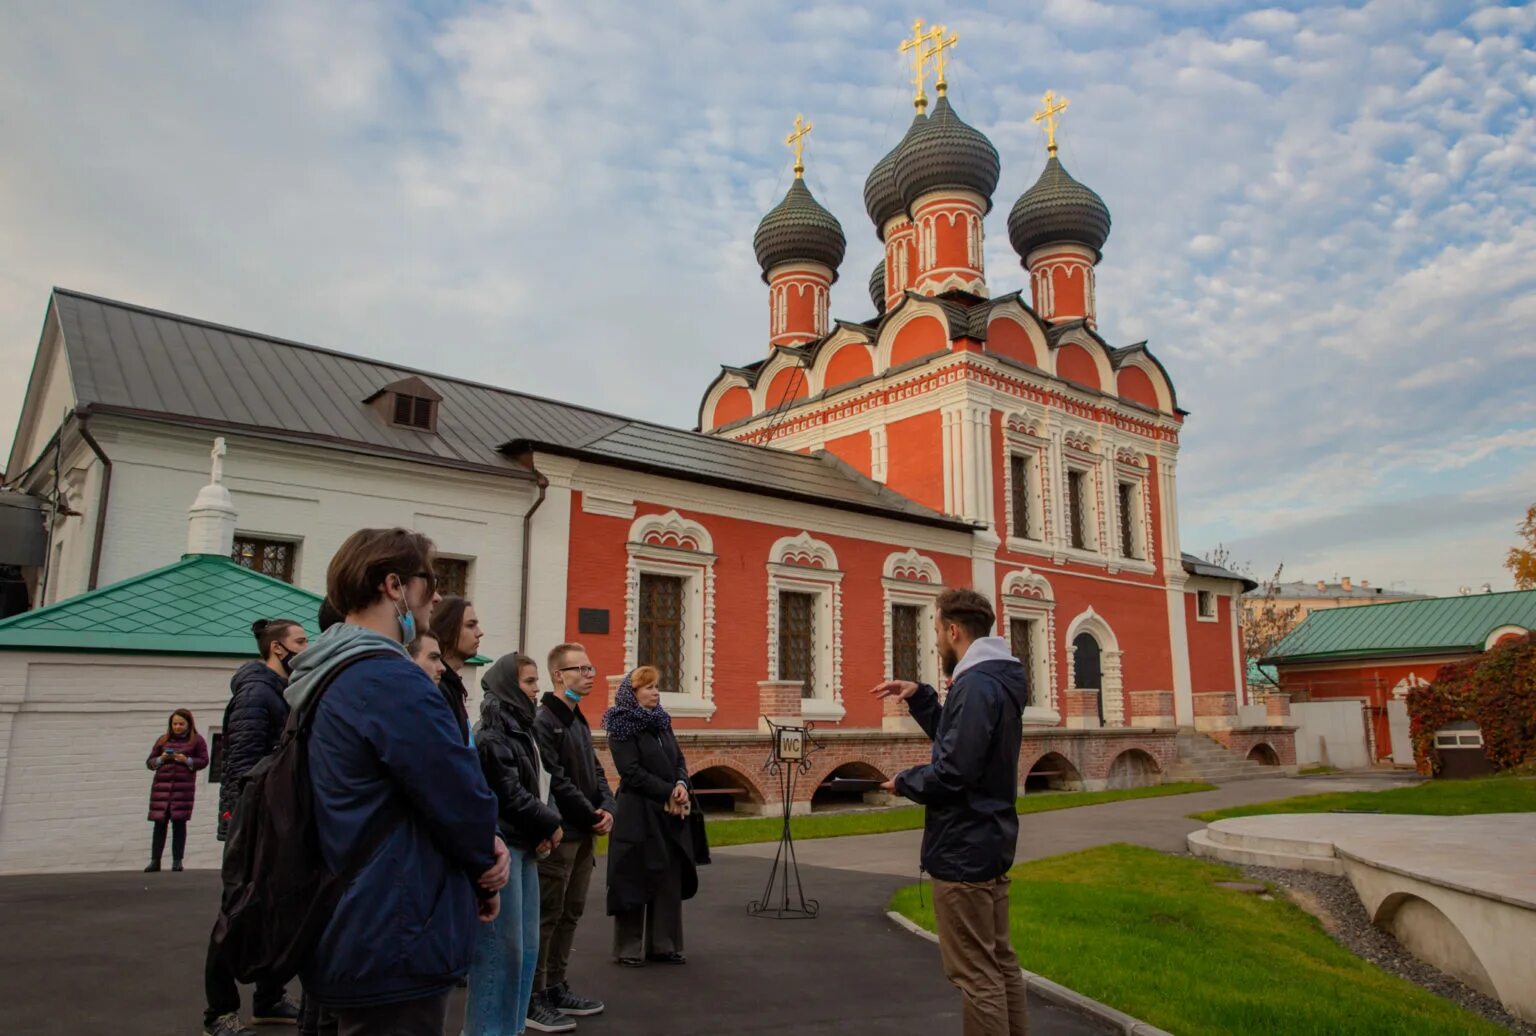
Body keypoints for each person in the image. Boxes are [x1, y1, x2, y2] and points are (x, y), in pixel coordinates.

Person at [284, 527, 506, 1036]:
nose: (436, 596)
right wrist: (484, 863)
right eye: (430, 580)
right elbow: (455, 791)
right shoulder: (388, 678)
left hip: (349, 911)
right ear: (394, 586)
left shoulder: (326, 672)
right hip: (394, 921)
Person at [871, 587, 1029, 1036]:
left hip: (964, 848)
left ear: (955, 630)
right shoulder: (993, 680)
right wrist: (922, 697)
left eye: (938, 630)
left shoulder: (975, 684)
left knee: (976, 974)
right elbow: (963, 742)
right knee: (998, 962)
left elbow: (955, 769)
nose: (937, 639)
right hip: (988, 838)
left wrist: (905, 781)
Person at [203, 618, 308, 1036]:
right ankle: (219, 1013)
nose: (307, 647)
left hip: (276, 815)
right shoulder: (256, 692)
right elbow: (245, 765)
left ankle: (269, 998)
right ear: (278, 649)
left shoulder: (284, 692)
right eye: (300, 641)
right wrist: (255, 814)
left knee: (278, 906)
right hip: (252, 817)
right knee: (237, 912)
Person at [464, 653, 565, 1036]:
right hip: (507, 847)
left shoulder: (524, 729)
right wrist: (552, 824)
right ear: (508, 685)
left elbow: (543, 782)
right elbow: (509, 794)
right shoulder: (491, 735)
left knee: (524, 951)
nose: (537, 688)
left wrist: (547, 821)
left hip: (528, 844)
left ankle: (511, 1027)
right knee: (498, 955)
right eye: (528, 681)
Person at [528, 643, 614, 1032]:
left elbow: (596, 770)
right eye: (580, 669)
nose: (590, 674)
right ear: (558, 675)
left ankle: (558, 984)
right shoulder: (544, 720)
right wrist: (588, 812)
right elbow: (556, 779)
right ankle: (535, 995)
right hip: (561, 833)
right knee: (548, 914)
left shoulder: (578, 718)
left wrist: (608, 806)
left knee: (572, 911)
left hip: (585, 833)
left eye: (591, 667)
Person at [602, 666, 698, 967]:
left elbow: (679, 759)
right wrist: (667, 791)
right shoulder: (620, 725)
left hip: (668, 812)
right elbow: (630, 771)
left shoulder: (662, 723)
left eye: (657, 686)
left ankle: (664, 944)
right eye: (648, 687)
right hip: (637, 810)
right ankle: (629, 948)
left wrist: (681, 784)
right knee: (634, 873)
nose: (656, 692)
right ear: (632, 694)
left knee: (667, 873)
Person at [144, 708, 208, 872]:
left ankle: (177, 861)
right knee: (159, 825)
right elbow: (150, 762)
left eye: (181, 724)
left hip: (182, 790)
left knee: (179, 825)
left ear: (188, 724)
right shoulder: (163, 740)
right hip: (162, 789)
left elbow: (203, 761)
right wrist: (161, 759)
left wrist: (187, 760)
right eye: (175, 724)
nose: (178, 727)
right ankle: (155, 860)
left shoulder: (197, 741)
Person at [429, 595, 483, 743]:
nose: (479, 633)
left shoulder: (451, 686)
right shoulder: (437, 687)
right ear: (448, 629)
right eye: (470, 625)